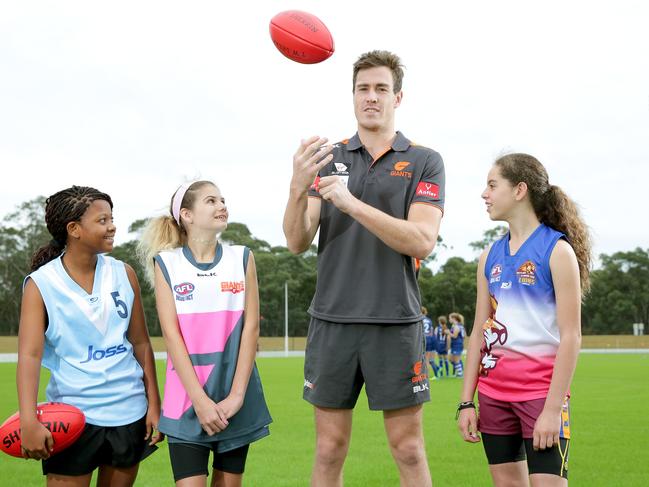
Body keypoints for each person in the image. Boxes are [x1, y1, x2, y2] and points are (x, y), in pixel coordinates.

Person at [283, 50, 445, 487]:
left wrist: (352, 203)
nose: (371, 97)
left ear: (398, 97)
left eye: (380, 89)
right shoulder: (328, 157)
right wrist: (298, 189)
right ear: (352, 96)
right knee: (329, 449)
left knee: (409, 449)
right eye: (362, 89)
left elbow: (422, 240)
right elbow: (297, 240)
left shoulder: (425, 160)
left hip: (394, 320)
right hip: (332, 321)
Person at [457, 153, 590, 486]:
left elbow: (571, 336)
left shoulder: (557, 252)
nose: (484, 194)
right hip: (492, 398)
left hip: (540, 397)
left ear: (519, 190)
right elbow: (477, 333)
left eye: (492, 185)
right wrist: (465, 402)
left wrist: (551, 409)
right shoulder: (489, 256)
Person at [16, 186, 162, 486]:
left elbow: (141, 343)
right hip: (71, 416)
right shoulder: (41, 284)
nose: (112, 226)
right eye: (103, 220)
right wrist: (28, 420)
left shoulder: (124, 273)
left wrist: (155, 405)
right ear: (74, 229)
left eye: (112, 218)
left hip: (129, 413)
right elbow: (29, 356)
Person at [138, 180, 272, 487]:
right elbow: (172, 338)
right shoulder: (166, 263)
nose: (222, 206)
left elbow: (251, 329)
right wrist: (199, 401)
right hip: (187, 400)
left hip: (235, 397)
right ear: (186, 214)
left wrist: (237, 395)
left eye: (223, 200)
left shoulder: (242, 257)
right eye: (211, 201)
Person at [422, 306, 438, 379]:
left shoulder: (420, 319)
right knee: (427, 358)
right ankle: (435, 370)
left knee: (425, 359)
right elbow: (431, 332)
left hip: (423, 338)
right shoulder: (429, 320)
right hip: (430, 339)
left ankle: (426, 376)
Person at [448, 312, 466, 377]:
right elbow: (464, 336)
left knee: (456, 360)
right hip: (456, 344)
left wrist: (448, 333)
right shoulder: (458, 326)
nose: (449, 319)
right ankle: (460, 371)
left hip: (457, 344)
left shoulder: (457, 326)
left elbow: (455, 336)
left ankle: (460, 374)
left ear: (454, 318)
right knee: (451, 359)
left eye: (450, 318)